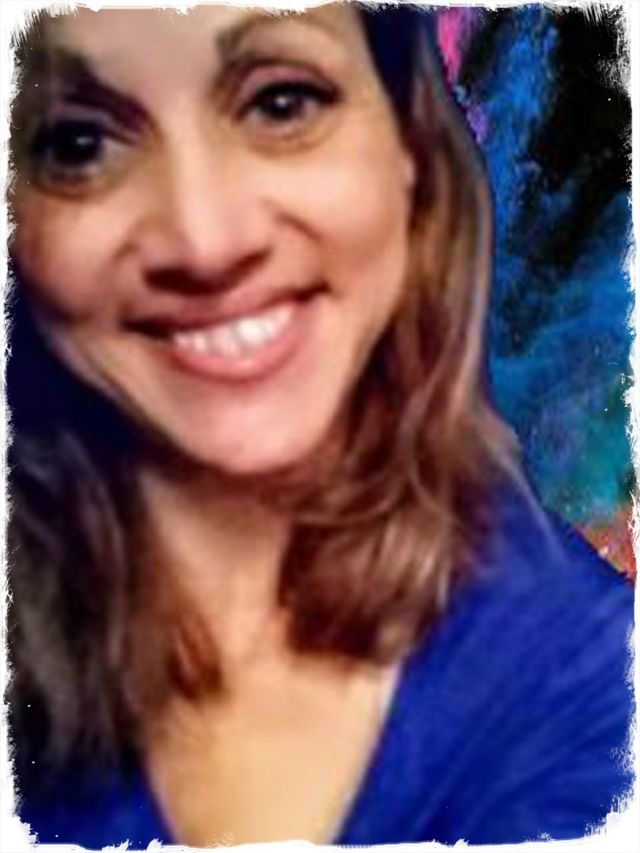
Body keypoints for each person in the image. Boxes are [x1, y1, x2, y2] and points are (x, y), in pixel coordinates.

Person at [6, 3, 633, 847]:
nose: (205, 240)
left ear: (413, 150)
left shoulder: (594, 691)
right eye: (78, 145)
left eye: (281, 103)